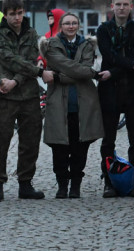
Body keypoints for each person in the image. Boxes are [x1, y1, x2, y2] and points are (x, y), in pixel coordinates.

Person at [0, 0, 51, 201]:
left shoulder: (32, 33)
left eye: (19, 13)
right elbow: (8, 59)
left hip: (27, 94)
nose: (16, 17)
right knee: (1, 140)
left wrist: (15, 81)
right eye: (12, 14)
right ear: (5, 15)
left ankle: (25, 183)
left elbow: (31, 60)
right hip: (4, 96)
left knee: (30, 141)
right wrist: (33, 72)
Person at [42, 12, 106, 198]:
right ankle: (62, 185)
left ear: (79, 26)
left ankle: (76, 185)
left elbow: (86, 71)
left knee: (80, 146)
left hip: (83, 104)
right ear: (61, 26)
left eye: (74, 23)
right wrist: (86, 73)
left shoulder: (87, 45)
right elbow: (80, 70)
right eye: (67, 23)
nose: (71, 26)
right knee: (59, 147)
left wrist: (59, 76)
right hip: (58, 104)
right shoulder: (51, 45)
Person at [96, 0, 134, 197]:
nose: (121, 8)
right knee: (108, 140)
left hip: (133, 90)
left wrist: (119, 70)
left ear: (131, 6)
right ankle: (108, 180)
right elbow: (110, 55)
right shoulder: (103, 29)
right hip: (110, 91)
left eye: (125, 4)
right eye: (118, 4)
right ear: (112, 6)